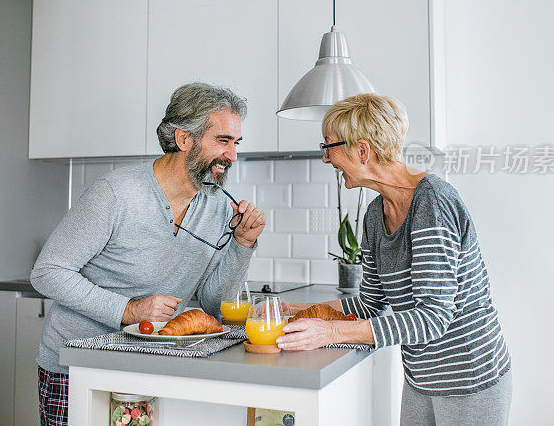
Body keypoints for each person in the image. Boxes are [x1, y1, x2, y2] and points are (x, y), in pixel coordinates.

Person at [30, 82, 266, 426]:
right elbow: (47, 271)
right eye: (223, 141)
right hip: (77, 366)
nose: (232, 155)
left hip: (151, 366)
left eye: (236, 143)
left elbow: (215, 305)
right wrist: (129, 309)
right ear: (184, 139)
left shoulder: (218, 207)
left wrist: (242, 245)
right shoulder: (116, 194)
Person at [276, 93, 512, 426]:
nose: (326, 159)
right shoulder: (375, 214)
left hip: (469, 379)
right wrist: (294, 312)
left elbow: (432, 318)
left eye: (328, 147)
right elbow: (371, 303)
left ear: (361, 150)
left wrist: (330, 332)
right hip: (421, 378)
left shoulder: (432, 204)